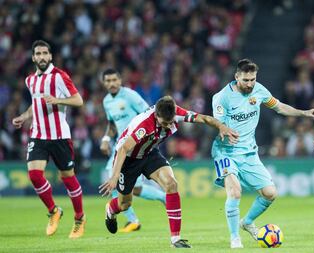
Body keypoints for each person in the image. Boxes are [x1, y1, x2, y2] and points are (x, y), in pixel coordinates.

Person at [99, 95, 239, 248]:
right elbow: (124, 148)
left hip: (149, 153)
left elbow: (204, 118)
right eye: (164, 123)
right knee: (124, 204)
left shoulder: (177, 113)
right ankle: (111, 209)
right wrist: (114, 176)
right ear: (156, 115)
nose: (168, 126)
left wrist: (221, 126)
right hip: (128, 159)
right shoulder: (144, 125)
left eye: (170, 122)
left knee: (171, 184)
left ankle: (175, 239)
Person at [211, 59, 314, 248]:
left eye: (252, 79)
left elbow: (279, 107)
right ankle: (234, 238)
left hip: (249, 153)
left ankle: (246, 222)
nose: (249, 84)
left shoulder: (259, 91)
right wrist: (222, 128)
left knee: (270, 193)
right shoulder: (222, 97)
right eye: (246, 80)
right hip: (226, 152)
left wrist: (304, 113)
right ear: (236, 76)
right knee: (235, 192)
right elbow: (217, 122)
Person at [12, 40, 86, 238]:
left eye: (45, 53)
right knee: (35, 175)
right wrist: (24, 116)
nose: (42, 56)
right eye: (38, 53)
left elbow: (78, 100)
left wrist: (58, 100)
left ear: (50, 56)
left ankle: (79, 218)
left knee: (67, 177)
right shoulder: (30, 80)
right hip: (38, 135)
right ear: (34, 57)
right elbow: (35, 105)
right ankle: (54, 211)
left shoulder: (60, 77)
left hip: (60, 136)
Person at [100, 68, 166, 232]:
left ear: (120, 80)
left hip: (136, 147)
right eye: (108, 81)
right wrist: (106, 139)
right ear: (104, 83)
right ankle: (135, 218)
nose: (112, 83)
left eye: (114, 80)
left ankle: (134, 218)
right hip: (120, 147)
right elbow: (111, 124)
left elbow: (149, 112)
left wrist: (151, 139)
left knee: (125, 186)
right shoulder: (106, 101)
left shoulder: (130, 95)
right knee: (123, 185)